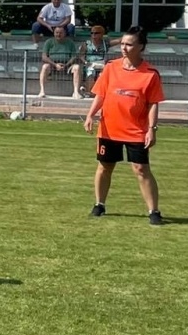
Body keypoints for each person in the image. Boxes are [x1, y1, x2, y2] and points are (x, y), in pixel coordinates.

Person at [84, 27, 165, 225]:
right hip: (109, 128)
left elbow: (153, 103)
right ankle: (99, 204)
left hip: (135, 130)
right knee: (105, 166)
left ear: (141, 47)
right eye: (122, 44)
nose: (124, 48)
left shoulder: (150, 74)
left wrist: (151, 129)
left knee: (141, 169)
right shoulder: (111, 67)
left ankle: (153, 211)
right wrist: (90, 115)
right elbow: (100, 94)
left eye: (129, 44)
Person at [38, 24, 86, 98]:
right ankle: (42, 91)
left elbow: (73, 56)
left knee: (77, 67)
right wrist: (55, 64)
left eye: (60, 33)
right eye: (56, 32)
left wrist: (66, 65)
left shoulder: (70, 43)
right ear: (54, 33)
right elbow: (44, 57)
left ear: (65, 33)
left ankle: (76, 92)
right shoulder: (49, 42)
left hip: (67, 65)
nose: (58, 34)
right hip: (52, 65)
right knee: (44, 67)